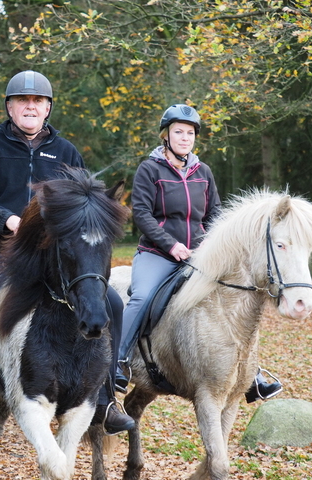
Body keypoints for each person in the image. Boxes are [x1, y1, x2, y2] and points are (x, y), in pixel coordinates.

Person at [0, 70, 134, 448]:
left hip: (52, 257)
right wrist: (7, 218)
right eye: (23, 101)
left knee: (112, 302)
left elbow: (85, 199)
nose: (30, 106)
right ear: (10, 106)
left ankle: (106, 400)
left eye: (38, 102)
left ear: (48, 108)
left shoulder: (66, 152)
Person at [114, 104, 282, 403]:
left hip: (199, 255)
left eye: (190, 133)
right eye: (178, 132)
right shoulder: (149, 169)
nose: (184, 138)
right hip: (158, 254)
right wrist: (171, 245)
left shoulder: (202, 171)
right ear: (166, 136)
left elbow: (215, 214)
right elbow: (141, 213)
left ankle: (252, 374)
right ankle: (119, 361)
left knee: (232, 301)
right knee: (141, 297)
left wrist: (207, 246)